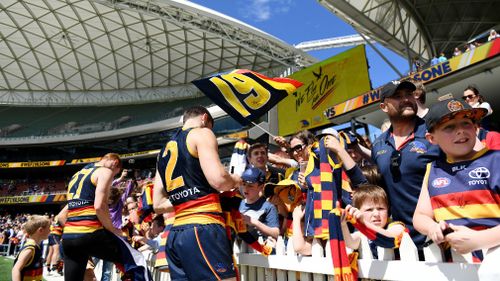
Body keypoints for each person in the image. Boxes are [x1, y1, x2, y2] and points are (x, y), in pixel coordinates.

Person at [413, 98, 499, 278]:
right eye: (449, 127)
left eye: (466, 123)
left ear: (476, 128)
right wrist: (431, 228)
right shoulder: (432, 170)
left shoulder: (496, 160)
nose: (460, 130)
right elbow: (420, 216)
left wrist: (480, 240)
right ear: (432, 138)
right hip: (454, 266)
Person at [153, 105, 241, 281]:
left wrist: (188, 197)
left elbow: (158, 205)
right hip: (203, 226)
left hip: (176, 233)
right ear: (204, 118)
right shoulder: (202, 133)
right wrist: (235, 180)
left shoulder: (163, 152)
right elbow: (219, 180)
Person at [371, 80, 440, 248]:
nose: (406, 99)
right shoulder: (378, 145)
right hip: (401, 240)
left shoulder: (436, 132)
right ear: (384, 107)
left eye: (409, 94)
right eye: (397, 96)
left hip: (439, 236)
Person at [62, 153, 149, 281]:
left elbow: (62, 215)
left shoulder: (76, 175)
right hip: (89, 232)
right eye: (115, 173)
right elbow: (99, 206)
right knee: (138, 261)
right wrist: (113, 229)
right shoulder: (104, 171)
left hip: (68, 237)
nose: (113, 176)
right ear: (114, 163)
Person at [340, 185, 405, 255]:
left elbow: (390, 237)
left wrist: (364, 222)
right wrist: (343, 224)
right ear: (358, 211)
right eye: (369, 210)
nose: (376, 214)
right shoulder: (361, 233)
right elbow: (350, 243)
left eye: (381, 209)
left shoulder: (397, 226)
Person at [239, 167, 280, 240]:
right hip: (241, 247)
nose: (246, 188)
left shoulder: (268, 207)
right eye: (244, 184)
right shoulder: (237, 204)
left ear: (261, 187)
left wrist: (254, 222)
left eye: (250, 186)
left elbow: (276, 233)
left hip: (262, 248)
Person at [12, 215, 51, 281]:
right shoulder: (30, 249)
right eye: (48, 228)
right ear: (40, 230)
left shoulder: (36, 246)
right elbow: (16, 269)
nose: (50, 230)